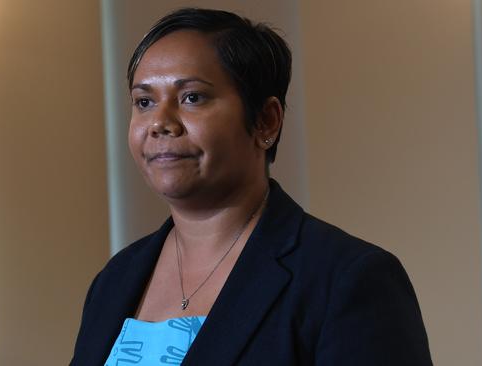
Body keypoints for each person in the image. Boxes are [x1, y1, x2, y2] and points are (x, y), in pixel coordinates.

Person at [71, 8, 432, 366]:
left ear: (266, 121)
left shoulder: (347, 279)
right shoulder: (115, 279)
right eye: (144, 102)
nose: (160, 123)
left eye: (192, 97)